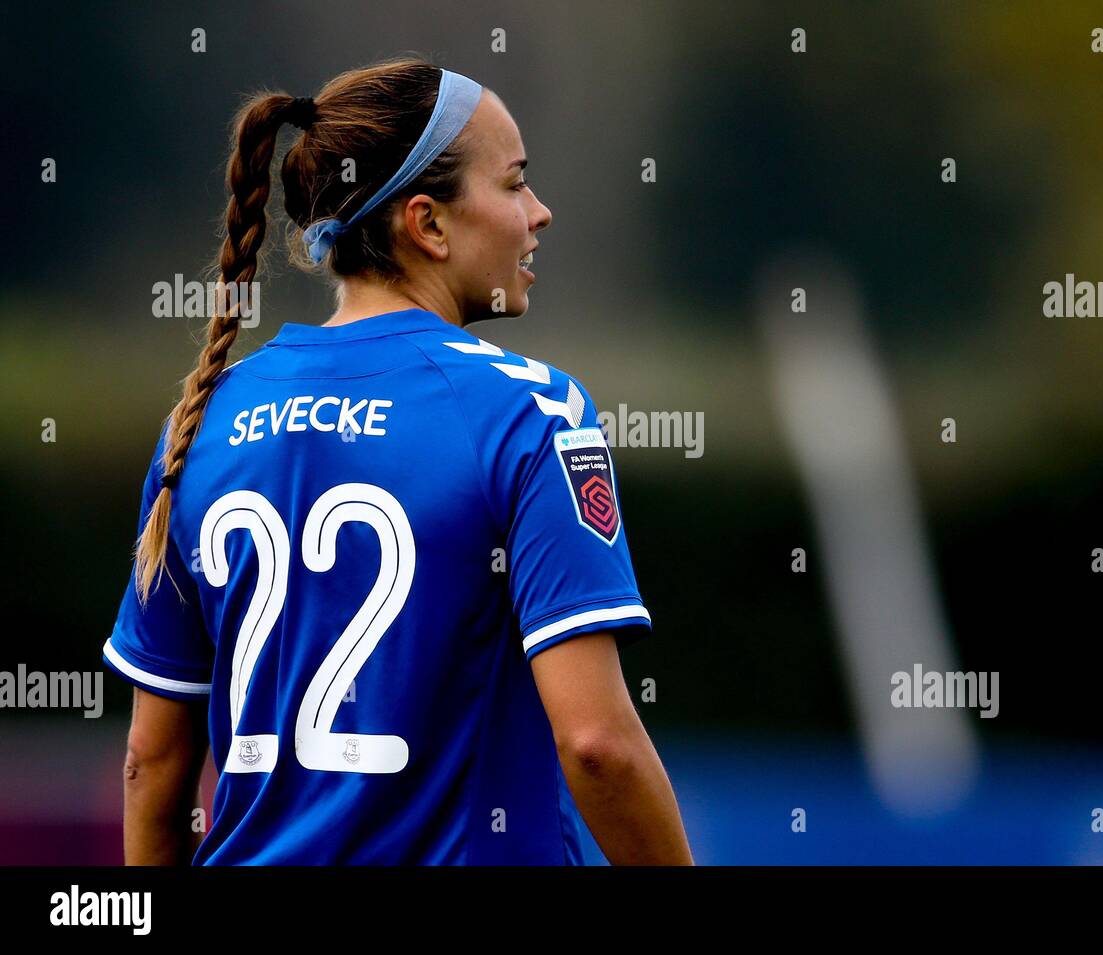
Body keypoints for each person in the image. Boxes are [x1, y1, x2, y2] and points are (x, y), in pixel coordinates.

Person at [100, 57, 693, 865]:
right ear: (430, 224)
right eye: (515, 183)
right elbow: (597, 745)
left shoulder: (201, 422)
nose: (540, 213)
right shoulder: (531, 410)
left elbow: (150, 764)